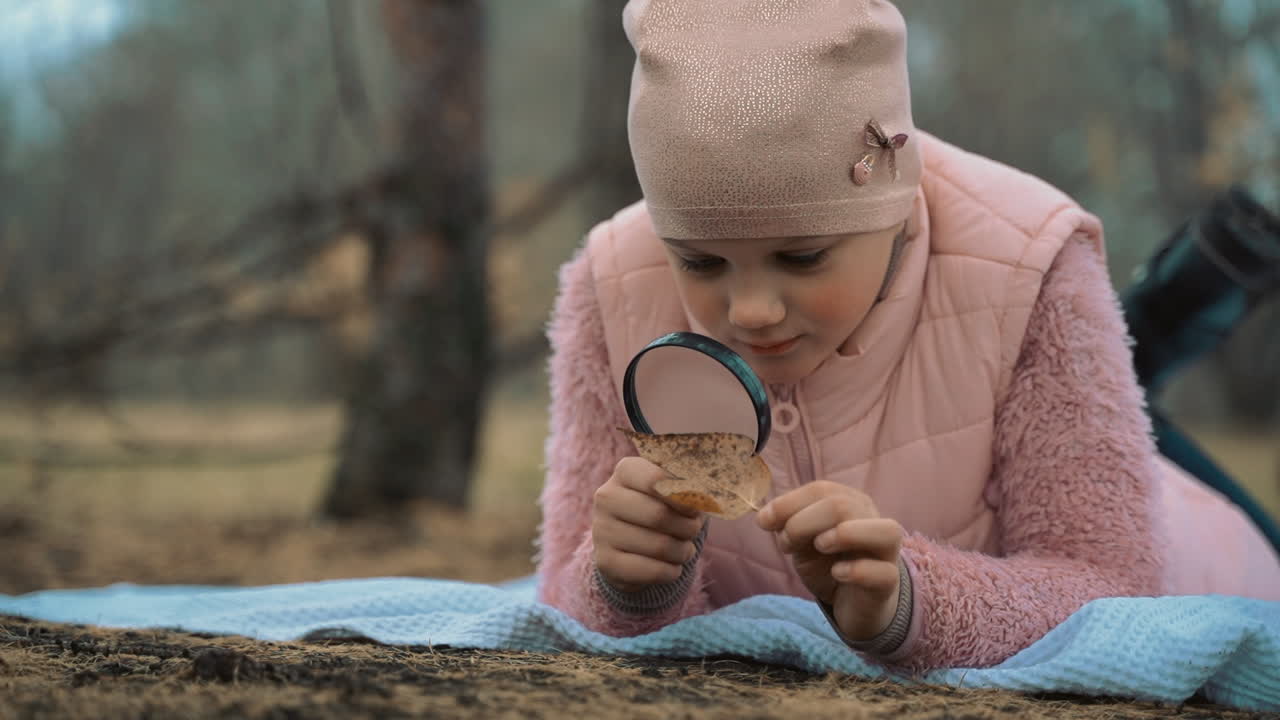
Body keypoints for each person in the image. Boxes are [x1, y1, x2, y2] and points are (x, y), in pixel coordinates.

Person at [534, 0, 1280, 671]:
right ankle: (1149, 340)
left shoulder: (1031, 264)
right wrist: (623, 585)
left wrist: (914, 604)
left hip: (1219, 556)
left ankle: (1148, 336)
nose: (753, 309)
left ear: (893, 203)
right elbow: (563, 596)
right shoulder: (611, 285)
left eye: (802, 256)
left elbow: (1116, 582)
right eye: (700, 261)